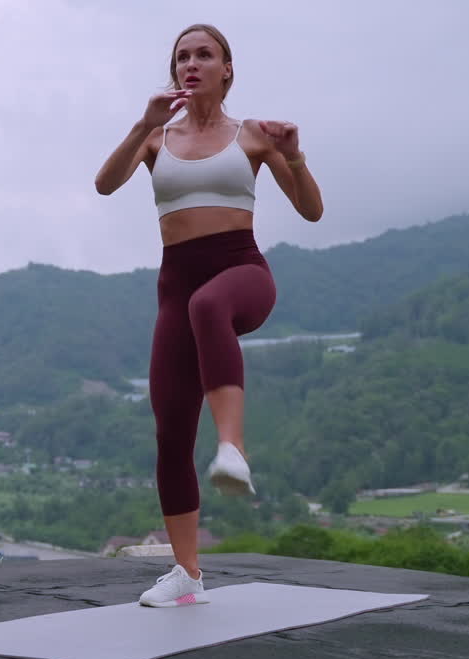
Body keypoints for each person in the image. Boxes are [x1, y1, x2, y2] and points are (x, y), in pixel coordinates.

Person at [94, 23, 324, 607]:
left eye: (205, 55)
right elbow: (104, 184)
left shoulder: (254, 136)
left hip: (241, 276)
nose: (191, 64)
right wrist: (143, 124)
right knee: (170, 435)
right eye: (182, 57)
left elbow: (313, 210)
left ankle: (232, 447)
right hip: (175, 288)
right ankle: (187, 574)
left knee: (210, 304)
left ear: (227, 70)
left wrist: (294, 157)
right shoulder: (157, 139)